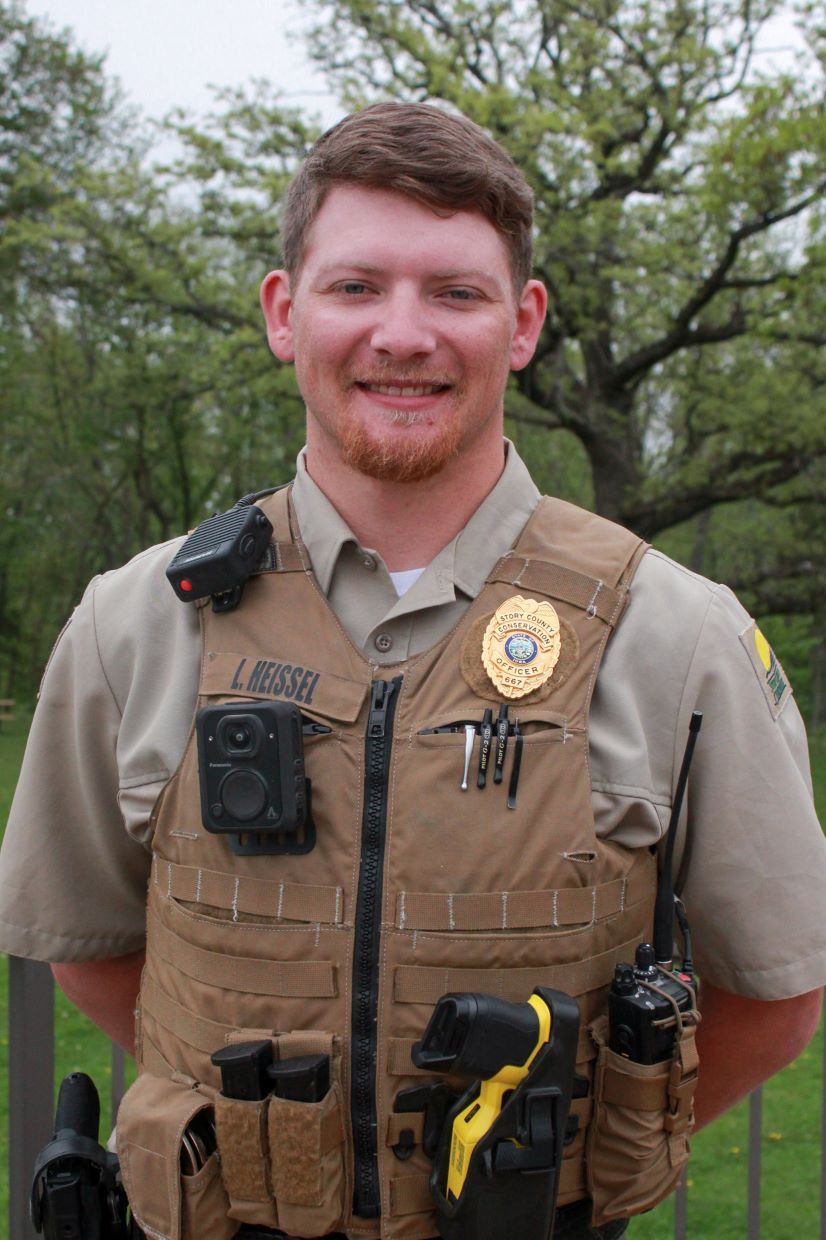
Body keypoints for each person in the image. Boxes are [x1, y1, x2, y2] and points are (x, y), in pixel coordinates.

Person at [1, 102, 824, 1240]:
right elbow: (88, 946)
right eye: (355, 287)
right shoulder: (134, 623)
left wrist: (570, 1169)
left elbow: (775, 994)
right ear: (285, 314)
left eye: (455, 291)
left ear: (522, 322)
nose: (403, 334)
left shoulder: (675, 632)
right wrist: (272, 1147)